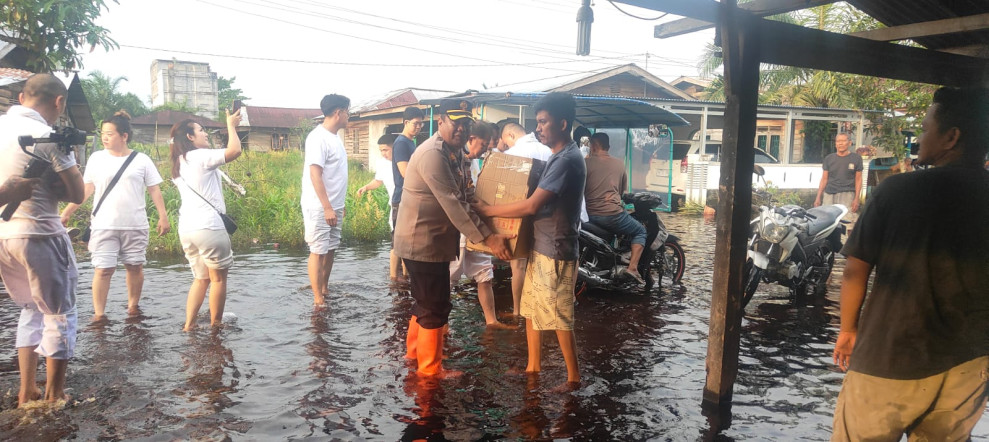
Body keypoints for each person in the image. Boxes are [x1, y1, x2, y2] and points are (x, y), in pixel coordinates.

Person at [831, 87, 989, 440]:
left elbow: (856, 270)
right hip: (968, 363)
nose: (919, 137)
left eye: (925, 127)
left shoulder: (896, 191)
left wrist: (848, 330)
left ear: (951, 137)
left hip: (889, 357)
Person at [393, 99, 512, 378]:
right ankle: (431, 371)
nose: (461, 128)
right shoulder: (433, 155)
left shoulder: (454, 152)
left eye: (465, 124)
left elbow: (467, 195)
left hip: (433, 242)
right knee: (435, 305)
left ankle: (414, 355)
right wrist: (489, 239)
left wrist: (494, 219)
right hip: (421, 242)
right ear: (441, 122)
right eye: (455, 122)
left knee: (425, 301)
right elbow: (454, 203)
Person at [477, 92, 586, 388]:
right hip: (542, 244)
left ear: (562, 124)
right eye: (537, 122)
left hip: (557, 249)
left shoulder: (567, 159)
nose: (538, 128)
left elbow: (531, 206)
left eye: (543, 122)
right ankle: (532, 367)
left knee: (559, 315)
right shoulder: (557, 156)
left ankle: (574, 378)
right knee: (532, 310)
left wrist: (489, 210)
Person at [0, 73, 85, 406]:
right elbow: (76, 193)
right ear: (59, 102)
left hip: (5, 236)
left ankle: (26, 390)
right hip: (41, 234)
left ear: (22, 98)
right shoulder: (48, 136)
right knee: (60, 313)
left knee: (31, 309)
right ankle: (54, 394)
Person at [60, 111, 170, 321]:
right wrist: (66, 212)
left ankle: (132, 308)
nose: (105, 137)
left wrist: (163, 217)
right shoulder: (97, 158)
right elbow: (86, 190)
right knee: (103, 270)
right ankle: (99, 315)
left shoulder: (141, 160)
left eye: (110, 133)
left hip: (135, 224)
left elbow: (154, 189)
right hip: (103, 225)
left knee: (135, 267)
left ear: (124, 136)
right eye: (103, 133)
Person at [170, 110, 242, 331]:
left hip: (187, 229)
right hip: (209, 227)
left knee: (201, 279)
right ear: (190, 137)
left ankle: (189, 325)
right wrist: (231, 125)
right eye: (201, 131)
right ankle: (216, 326)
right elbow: (235, 151)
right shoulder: (200, 156)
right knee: (218, 279)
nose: (205, 134)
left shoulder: (179, 163)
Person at [449, 121, 512, 329]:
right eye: (484, 145)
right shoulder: (454, 161)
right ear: (471, 139)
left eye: (488, 146)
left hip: (478, 226)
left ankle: (491, 320)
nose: (485, 150)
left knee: (485, 275)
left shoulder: (476, 161)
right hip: (460, 227)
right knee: (449, 278)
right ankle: (441, 329)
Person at [301, 94, 350, 307]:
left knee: (330, 248)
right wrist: (327, 207)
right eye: (348, 111)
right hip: (320, 207)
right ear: (338, 112)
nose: (349, 116)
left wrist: (339, 205)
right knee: (318, 250)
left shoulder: (335, 138)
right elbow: (315, 174)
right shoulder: (317, 137)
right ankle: (317, 299)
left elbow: (335, 175)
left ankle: (324, 289)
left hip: (334, 206)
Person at [584, 132, 646, 284]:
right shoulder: (619, 164)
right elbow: (621, 192)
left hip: (588, 214)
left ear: (592, 146)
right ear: (608, 147)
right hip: (611, 214)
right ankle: (632, 268)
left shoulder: (585, 163)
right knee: (640, 231)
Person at [391, 107, 425, 283]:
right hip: (401, 198)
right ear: (406, 123)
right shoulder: (402, 143)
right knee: (398, 240)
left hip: (410, 198)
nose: (418, 127)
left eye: (421, 123)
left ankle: (405, 275)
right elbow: (405, 172)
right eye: (415, 123)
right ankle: (393, 278)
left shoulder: (411, 142)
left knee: (408, 241)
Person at [814, 133, 862, 217]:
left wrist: (857, 198)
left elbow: (858, 179)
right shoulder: (829, 158)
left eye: (843, 141)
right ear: (835, 143)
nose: (840, 143)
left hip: (848, 194)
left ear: (849, 143)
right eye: (838, 141)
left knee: (847, 220)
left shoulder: (856, 158)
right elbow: (824, 179)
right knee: (827, 219)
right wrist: (818, 197)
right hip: (829, 194)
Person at [357, 133, 398, 229]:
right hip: (394, 205)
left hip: (408, 204)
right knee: (395, 233)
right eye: (381, 150)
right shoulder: (381, 162)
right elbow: (378, 181)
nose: (383, 153)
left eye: (386, 150)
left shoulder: (402, 161)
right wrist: (366, 187)